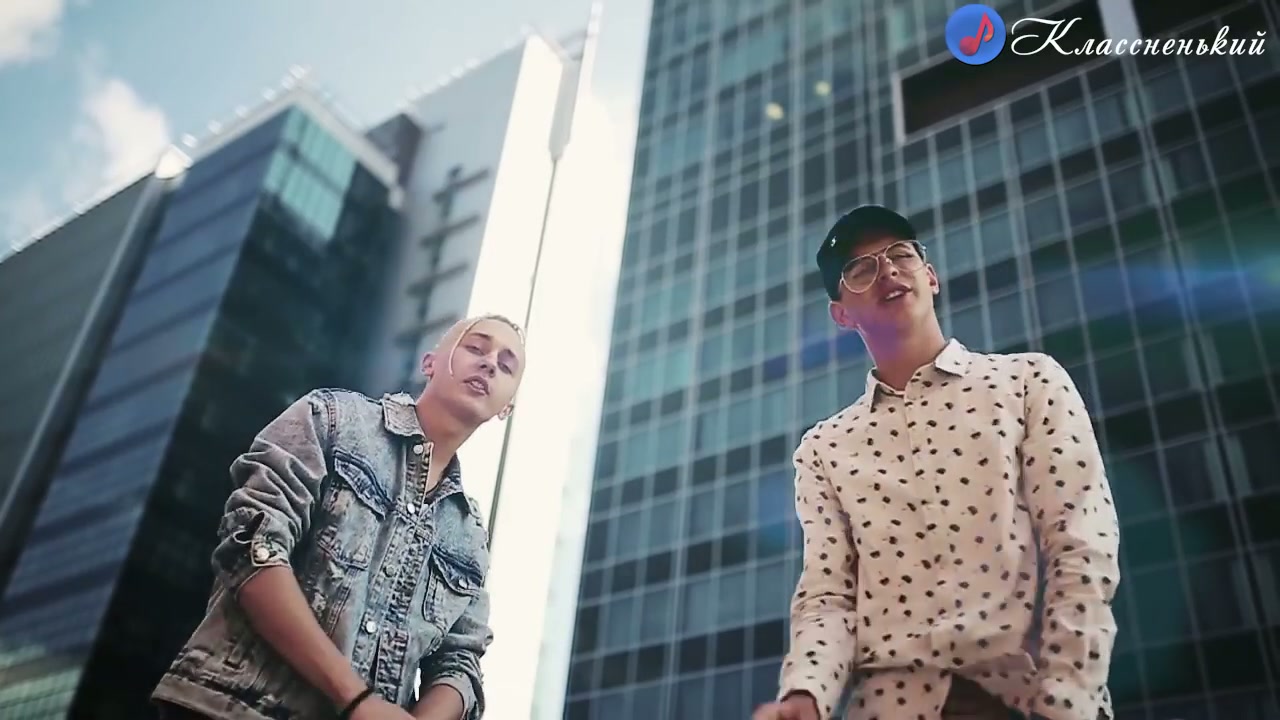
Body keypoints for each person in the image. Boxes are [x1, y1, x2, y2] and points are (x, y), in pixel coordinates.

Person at [752, 206, 1120, 720]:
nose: (887, 270)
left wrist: (1066, 701)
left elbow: (1080, 543)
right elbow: (828, 595)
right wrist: (805, 694)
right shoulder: (824, 449)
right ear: (842, 314)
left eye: (900, 254)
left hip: (1022, 695)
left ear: (930, 276)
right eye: (861, 269)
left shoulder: (1028, 382)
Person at [151, 314, 526, 720]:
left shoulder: (470, 536)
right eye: (476, 347)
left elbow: (460, 663)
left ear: (506, 407)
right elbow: (251, 546)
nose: (490, 363)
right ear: (430, 363)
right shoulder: (332, 419)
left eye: (506, 366)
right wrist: (356, 700)